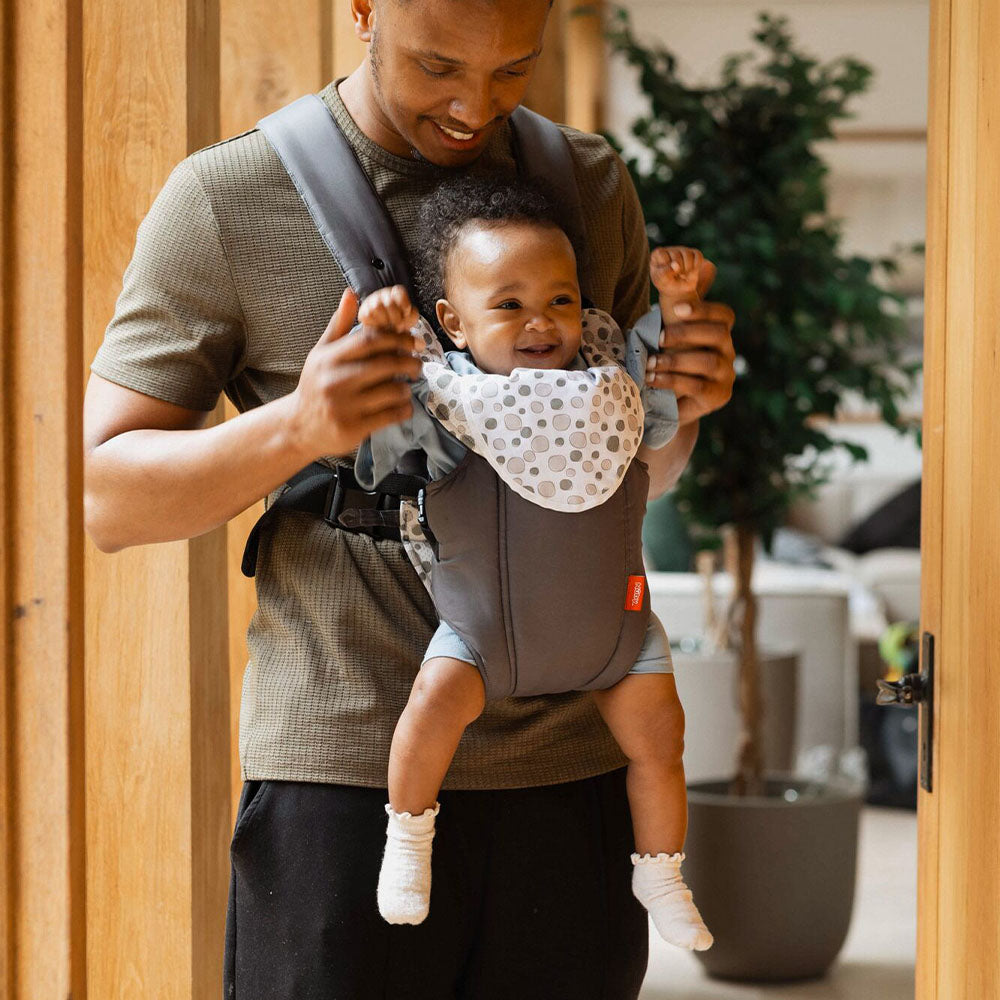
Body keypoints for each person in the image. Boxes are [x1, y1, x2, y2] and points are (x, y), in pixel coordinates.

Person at [82, 1, 736, 995]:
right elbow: (108, 500)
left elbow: (623, 476)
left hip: (574, 770)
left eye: (513, 69)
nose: (474, 107)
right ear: (361, 11)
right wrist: (298, 427)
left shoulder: (588, 183)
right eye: (438, 64)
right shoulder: (231, 195)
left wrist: (684, 403)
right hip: (342, 778)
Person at [358, 174, 713, 954]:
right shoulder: (449, 401)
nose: (540, 322)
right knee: (429, 708)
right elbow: (386, 447)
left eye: (558, 300)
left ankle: (660, 870)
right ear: (451, 320)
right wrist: (381, 345)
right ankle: (409, 839)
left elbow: (666, 392)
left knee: (662, 742)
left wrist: (681, 309)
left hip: (618, 636)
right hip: (483, 638)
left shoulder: (608, 391)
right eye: (509, 304)